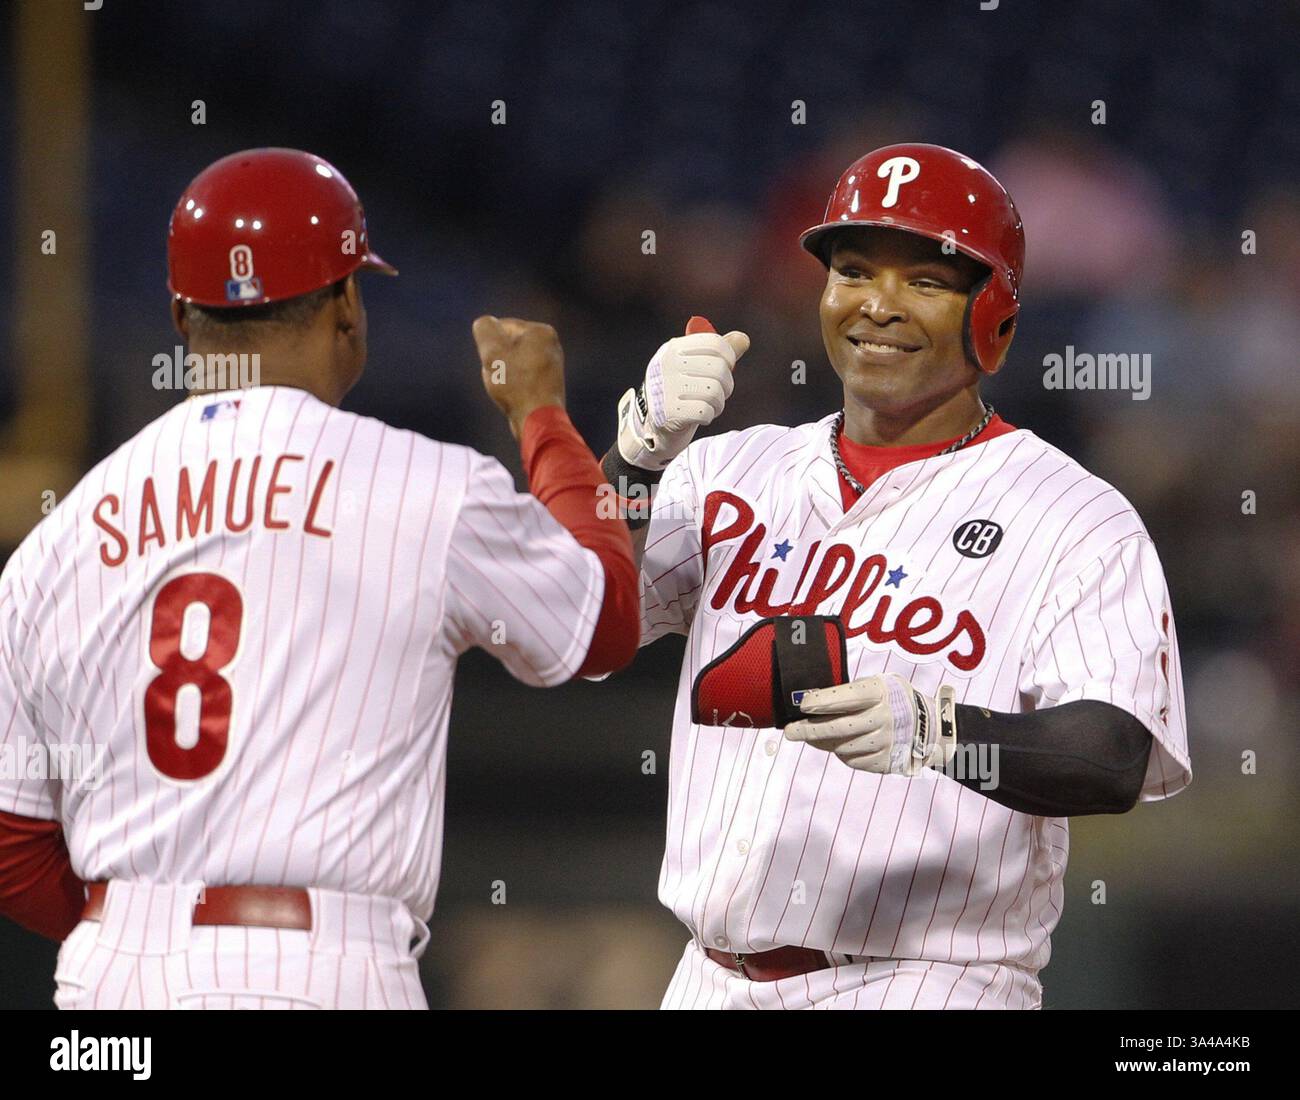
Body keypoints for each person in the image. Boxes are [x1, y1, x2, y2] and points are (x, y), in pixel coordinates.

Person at [0, 147, 638, 1009]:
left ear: (183, 317)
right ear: (346, 303)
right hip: (319, 968)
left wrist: (144, 929)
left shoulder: (59, 534)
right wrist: (543, 415)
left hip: (112, 987)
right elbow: (603, 624)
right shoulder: (428, 486)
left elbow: (12, 846)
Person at [600, 143, 1191, 1010]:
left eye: (925, 280)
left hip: (928, 982)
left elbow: (1112, 757)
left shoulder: (1075, 516)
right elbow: (568, 623)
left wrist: (940, 731)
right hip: (708, 977)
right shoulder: (728, 470)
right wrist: (634, 459)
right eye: (853, 271)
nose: (878, 305)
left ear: (994, 315)